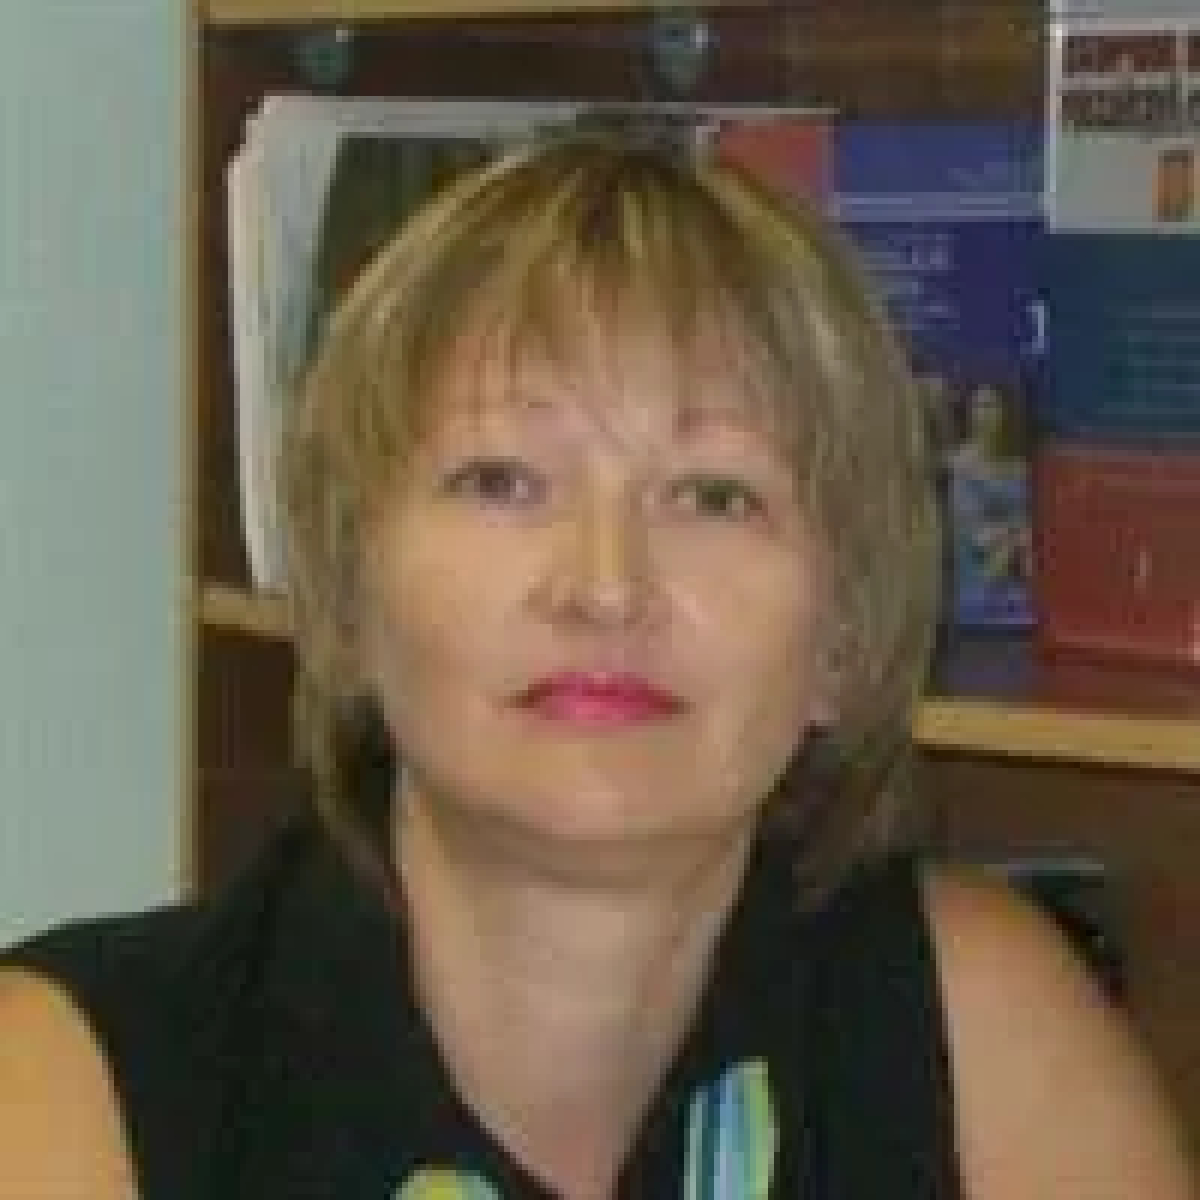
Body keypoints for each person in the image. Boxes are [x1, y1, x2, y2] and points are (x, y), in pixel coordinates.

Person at [1, 128, 1194, 1199]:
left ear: (842, 633)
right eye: (503, 481)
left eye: (713, 496)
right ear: (351, 595)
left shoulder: (976, 1025)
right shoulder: (72, 1084)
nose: (606, 586)